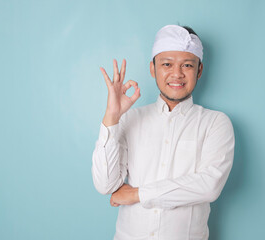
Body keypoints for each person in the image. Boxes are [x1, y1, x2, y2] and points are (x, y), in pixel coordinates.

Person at [92, 24, 235, 240]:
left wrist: (137, 194)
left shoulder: (215, 123)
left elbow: (209, 186)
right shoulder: (130, 119)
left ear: (199, 70)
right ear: (153, 68)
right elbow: (106, 185)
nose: (176, 74)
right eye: (167, 64)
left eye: (187, 65)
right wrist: (111, 118)